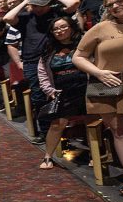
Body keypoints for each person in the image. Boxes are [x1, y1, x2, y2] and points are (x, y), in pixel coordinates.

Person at [72, 0, 123, 196]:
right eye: (110, 4)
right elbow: (78, 56)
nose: (115, 6)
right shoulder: (102, 27)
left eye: (120, 1)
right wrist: (98, 73)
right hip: (110, 85)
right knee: (120, 131)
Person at [5, 0, 81, 142]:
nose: (37, 8)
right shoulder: (26, 16)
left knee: (62, 92)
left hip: (54, 57)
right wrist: (26, 1)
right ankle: (45, 132)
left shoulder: (56, 13)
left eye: (41, 4)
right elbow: (8, 18)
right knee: (39, 97)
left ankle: (67, 129)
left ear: (49, 3)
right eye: (35, 4)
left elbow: (74, 3)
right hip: (32, 60)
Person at [37, 17, 89, 169]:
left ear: (71, 27)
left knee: (92, 122)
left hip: (87, 88)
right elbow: (42, 72)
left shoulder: (84, 43)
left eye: (63, 27)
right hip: (63, 92)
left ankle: (97, 154)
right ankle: (47, 156)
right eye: (55, 29)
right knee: (57, 124)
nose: (59, 31)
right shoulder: (49, 49)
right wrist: (49, 90)